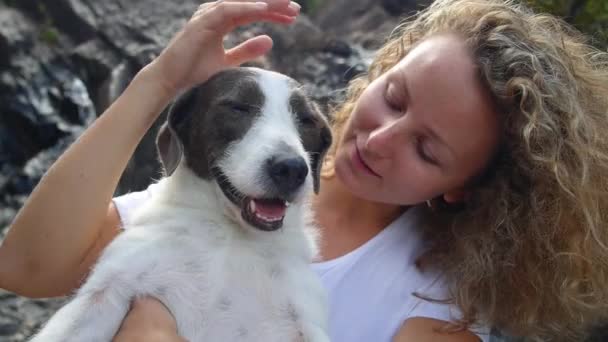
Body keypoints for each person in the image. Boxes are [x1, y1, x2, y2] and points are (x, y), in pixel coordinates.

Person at [1, 0, 607, 340]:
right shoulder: (200, 201)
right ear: (381, 67)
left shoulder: (436, 306)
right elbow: (23, 269)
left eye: (427, 150)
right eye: (394, 97)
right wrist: (161, 82)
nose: (381, 138)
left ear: (464, 188)